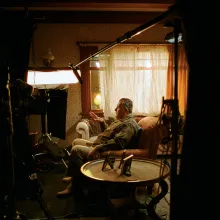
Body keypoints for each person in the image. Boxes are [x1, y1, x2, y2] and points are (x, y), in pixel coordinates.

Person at [57, 98, 140, 197]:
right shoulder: (121, 121)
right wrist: (101, 121)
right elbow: (110, 133)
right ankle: (74, 176)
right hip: (99, 145)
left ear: (125, 110)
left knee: (76, 150)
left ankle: (74, 187)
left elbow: (118, 142)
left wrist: (98, 148)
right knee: (76, 142)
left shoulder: (129, 124)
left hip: (105, 151)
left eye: (117, 108)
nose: (115, 109)